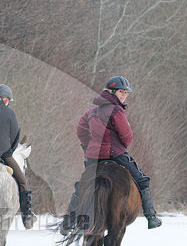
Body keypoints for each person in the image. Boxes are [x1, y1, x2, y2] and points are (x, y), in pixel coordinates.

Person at [63, 76, 162, 231]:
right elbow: (127, 136)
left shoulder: (91, 112)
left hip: (94, 157)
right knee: (142, 180)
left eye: (125, 93)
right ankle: (151, 216)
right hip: (116, 153)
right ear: (111, 92)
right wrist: (120, 146)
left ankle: (68, 221)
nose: (124, 96)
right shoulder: (117, 111)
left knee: (82, 184)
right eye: (121, 92)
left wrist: (88, 147)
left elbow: (81, 130)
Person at [0, 84, 35, 229]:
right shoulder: (10, 114)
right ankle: (27, 216)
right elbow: (15, 137)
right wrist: (8, 151)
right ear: (5, 99)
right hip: (4, 155)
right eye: (8, 100)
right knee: (22, 181)